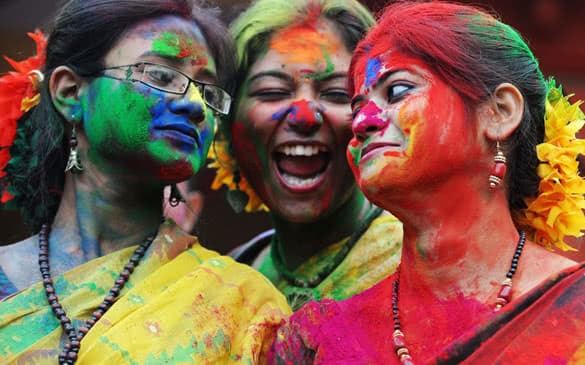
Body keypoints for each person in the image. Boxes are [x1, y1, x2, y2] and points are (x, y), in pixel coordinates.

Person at [270, 1, 585, 363]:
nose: (361, 123)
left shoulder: (575, 306)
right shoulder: (314, 339)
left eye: (398, 91)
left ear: (499, 113)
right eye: (357, 107)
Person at [0, 0, 290, 363]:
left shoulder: (245, 305)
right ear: (70, 93)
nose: (196, 105)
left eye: (207, 90)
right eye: (161, 75)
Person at [208, 0, 402, 311]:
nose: (303, 116)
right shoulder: (227, 285)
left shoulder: (426, 262)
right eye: (272, 91)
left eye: (337, 93)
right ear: (227, 126)